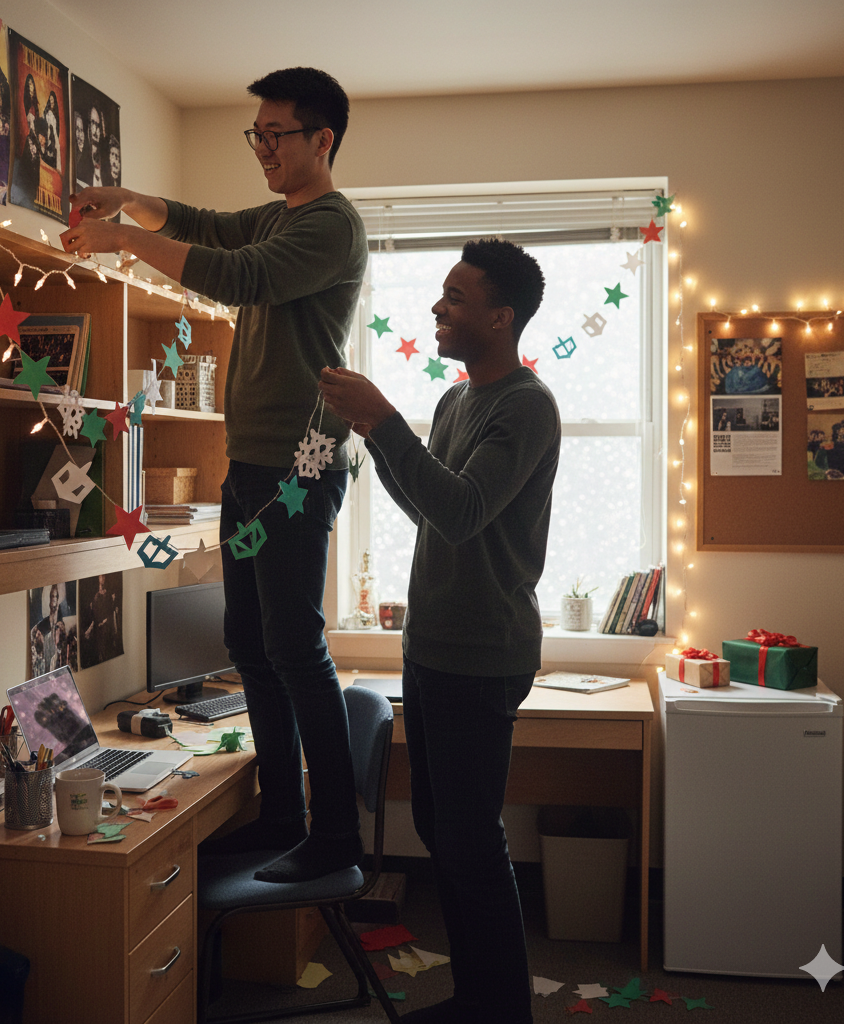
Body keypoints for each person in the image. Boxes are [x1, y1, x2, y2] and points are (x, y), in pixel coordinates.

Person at [61, 66, 367, 884]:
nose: (262, 148)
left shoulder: (333, 227)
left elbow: (239, 276)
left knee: (295, 647)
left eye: (276, 135)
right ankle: (282, 818)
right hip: (250, 466)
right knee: (249, 642)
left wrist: (124, 240)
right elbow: (204, 224)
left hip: (298, 468)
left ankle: (334, 835)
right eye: (256, 135)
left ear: (321, 139)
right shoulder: (278, 216)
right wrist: (130, 199)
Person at [319, 238, 561, 1024]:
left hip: (482, 653)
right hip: (429, 648)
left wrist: (383, 418)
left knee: (469, 839)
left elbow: (459, 513)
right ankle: (476, 998)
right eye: (441, 294)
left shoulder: (526, 405)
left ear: (502, 316)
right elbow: (431, 504)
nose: (437, 308)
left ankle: (501, 1010)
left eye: (455, 298)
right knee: (442, 831)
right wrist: (372, 431)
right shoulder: (458, 400)